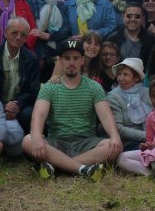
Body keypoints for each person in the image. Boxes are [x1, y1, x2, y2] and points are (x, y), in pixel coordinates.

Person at [21, 39, 123, 180]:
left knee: (112, 145)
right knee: (28, 140)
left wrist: (115, 136)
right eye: (67, 58)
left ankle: (58, 165)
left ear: (82, 60)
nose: (71, 62)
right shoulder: (50, 87)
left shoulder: (94, 87)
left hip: (86, 142)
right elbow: (39, 115)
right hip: (57, 141)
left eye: (75, 58)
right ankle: (82, 168)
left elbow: (105, 116)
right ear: (60, 61)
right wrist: (37, 136)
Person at [0, 17, 40, 140]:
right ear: (6, 32)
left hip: (19, 106)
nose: (18, 37)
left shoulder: (32, 59)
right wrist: (2, 105)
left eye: (23, 35)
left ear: (27, 37)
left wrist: (18, 104)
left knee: (29, 114)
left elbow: (33, 90)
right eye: (14, 33)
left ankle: (27, 146)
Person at [27, 0, 72, 82]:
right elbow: (29, 27)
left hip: (56, 51)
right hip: (36, 51)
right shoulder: (32, 1)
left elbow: (66, 29)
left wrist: (49, 36)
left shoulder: (61, 5)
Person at [107, 58, 153, 151]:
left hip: (152, 139)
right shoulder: (113, 96)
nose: (120, 78)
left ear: (136, 78)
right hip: (128, 142)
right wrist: (148, 136)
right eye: (119, 74)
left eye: (125, 74)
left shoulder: (147, 93)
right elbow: (119, 129)